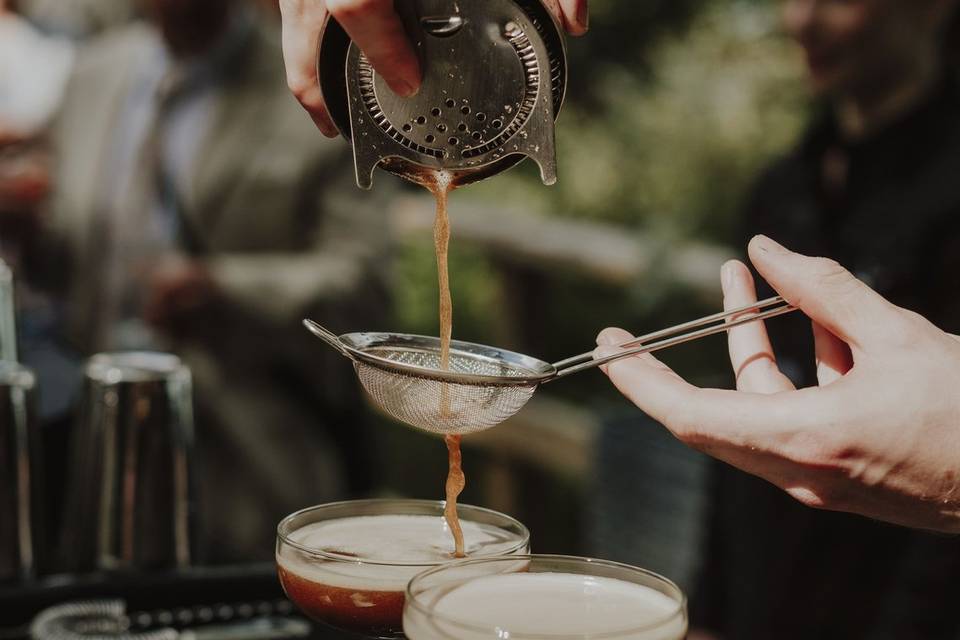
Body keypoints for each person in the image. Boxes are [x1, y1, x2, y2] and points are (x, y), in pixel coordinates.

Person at [24, 0, 391, 563]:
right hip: (95, 450)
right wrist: (25, 225)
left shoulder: (315, 84)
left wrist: (223, 288)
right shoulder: (94, 74)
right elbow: (64, 258)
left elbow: (365, 282)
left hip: (250, 459)